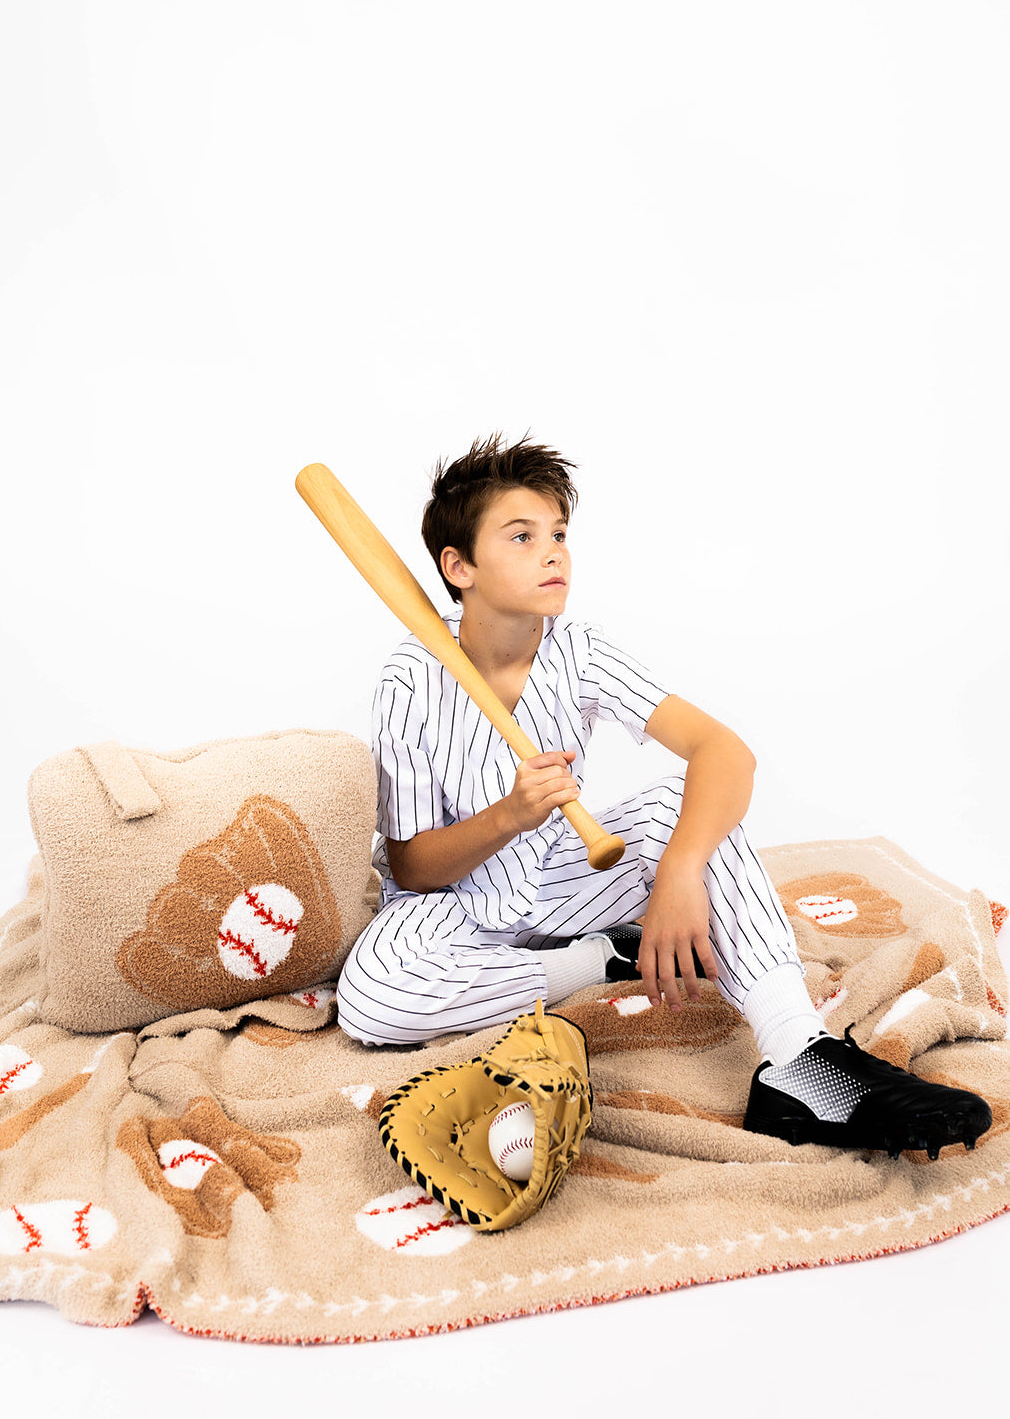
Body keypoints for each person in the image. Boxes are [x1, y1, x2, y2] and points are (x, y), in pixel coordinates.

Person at [335, 431, 991, 1159]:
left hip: (558, 875)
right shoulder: (410, 678)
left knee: (690, 811)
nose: (552, 552)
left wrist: (677, 874)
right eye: (520, 537)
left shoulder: (577, 650)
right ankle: (597, 962)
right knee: (371, 996)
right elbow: (414, 867)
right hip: (446, 906)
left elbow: (722, 751)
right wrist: (506, 816)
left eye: (558, 534)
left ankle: (796, 1057)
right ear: (458, 567)